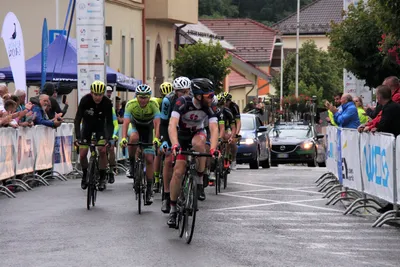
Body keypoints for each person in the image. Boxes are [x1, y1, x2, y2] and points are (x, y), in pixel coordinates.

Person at [167, 78, 220, 228]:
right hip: (182, 136)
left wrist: (214, 149)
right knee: (178, 172)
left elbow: (214, 129)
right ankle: (172, 209)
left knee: (199, 143)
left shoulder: (209, 106)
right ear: (198, 96)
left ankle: (200, 176)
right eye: (208, 95)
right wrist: (175, 144)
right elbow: (172, 125)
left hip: (197, 133)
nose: (211, 98)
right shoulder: (182, 102)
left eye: (212, 95)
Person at [120, 84, 161, 205]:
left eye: (145, 97)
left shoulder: (154, 105)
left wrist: (157, 138)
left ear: (149, 97)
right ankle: (132, 163)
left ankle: (149, 189)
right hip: (135, 126)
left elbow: (157, 123)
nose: (143, 100)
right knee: (133, 137)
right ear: (136, 97)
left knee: (149, 158)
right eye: (140, 97)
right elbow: (126, 122)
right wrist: (123, 138)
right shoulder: (130, 104)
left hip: (148, 128)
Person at [159, 77, 191, 213]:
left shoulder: (194, 98)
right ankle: (167, 196)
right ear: (174, 90)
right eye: (179, 91)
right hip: (172, 130)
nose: (183, 94)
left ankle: (194, 185)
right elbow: (164, 123)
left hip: (188, 130)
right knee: (168, 158)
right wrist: (164, 141)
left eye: (185, 91)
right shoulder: (168, 100)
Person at [74, 81, 114, 191]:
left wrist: (109, 138)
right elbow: (77, 120)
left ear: (103, 94)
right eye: (95, 94)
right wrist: (78, 137)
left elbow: (110, 122)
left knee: (101, 150)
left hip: (101, 128)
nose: (98, 97)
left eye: (100, 94)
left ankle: (102, 177)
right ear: (91, 93)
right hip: (87, 127)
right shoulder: (85, 100)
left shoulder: (107, 102)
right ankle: (85, 174)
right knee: (82, 154)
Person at [153, 82, 174, 193]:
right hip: (161, 127)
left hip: (174, 128)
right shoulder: (158, 102)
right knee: (159, 151)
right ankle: (156, 179)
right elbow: (160, 122)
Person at [223, 92, 241, 170]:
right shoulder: (221, 107)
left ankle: (233, 160)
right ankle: (224, 157)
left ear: (229, 101)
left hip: (233, 124)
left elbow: (238, 122)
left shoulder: (234, 107)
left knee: (232, 141)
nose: (224, 103)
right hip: (224, 124)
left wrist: (236, 134)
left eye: (226, 101)